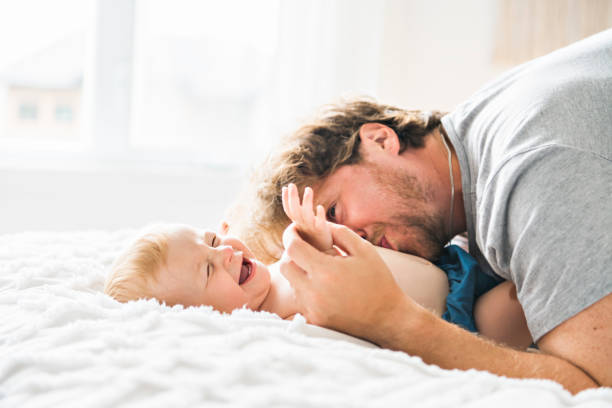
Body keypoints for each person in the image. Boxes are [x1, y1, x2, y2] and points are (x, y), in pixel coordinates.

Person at [241, 29, 612, 393]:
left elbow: (596, 386)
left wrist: (390, 318)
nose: (352, 244)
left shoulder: (528, 172)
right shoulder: (475, 144)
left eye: (334, 212)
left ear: (380, 139)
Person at [104, 184, 532, 348]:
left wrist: (321, 240)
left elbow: (349, 261)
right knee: (529, 300)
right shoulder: (276, 323)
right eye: (209, 271)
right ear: (199, 317)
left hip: (450, 264)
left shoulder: (277, 263)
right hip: (457, 321)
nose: (226, 253)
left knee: (519, 240)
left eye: (213, 241)